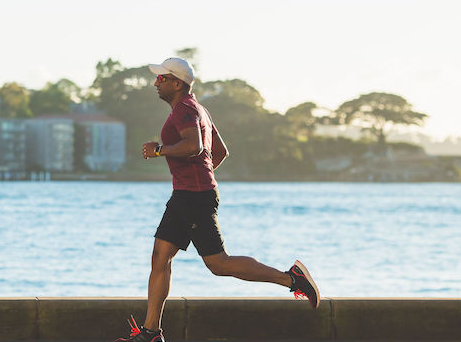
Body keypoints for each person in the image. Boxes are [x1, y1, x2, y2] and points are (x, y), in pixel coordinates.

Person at [115, 57, 320, 342]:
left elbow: (194, 146)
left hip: (193, 198)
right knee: (160, 257)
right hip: (188, 195)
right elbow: (219, 152)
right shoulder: (198, 109)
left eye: (161, 79)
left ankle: (292, 278)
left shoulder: (185, 110)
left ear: (177, 83)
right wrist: (198, 174)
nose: (156, 83)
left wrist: (160, 150)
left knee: (218, 264)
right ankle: (151, 333)